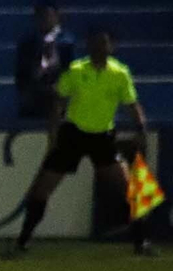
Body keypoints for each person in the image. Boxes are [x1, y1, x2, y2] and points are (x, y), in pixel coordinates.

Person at [13, 28, 155, 255]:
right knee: (44, 188)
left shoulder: (120, 73)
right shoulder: (76, 71)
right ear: (88, 46)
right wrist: (53, 135)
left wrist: (140, 128)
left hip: (103, 137)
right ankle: (23, 240)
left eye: (104, 44)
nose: (99, 48)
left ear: (111, 47)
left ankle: (141, 241)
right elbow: (58, 102)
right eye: (95, 44)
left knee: (128, 186)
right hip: (74, 134)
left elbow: (131, 104)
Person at [16, 4, 75, 118]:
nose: (46, 19)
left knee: (56, 100)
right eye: (42, 16)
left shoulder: (67, 43)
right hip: (35, 91)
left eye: (49, 16)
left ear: (57, 17)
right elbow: (21, 72)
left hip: (58, 91)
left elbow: (70, 70)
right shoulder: (27, 43)